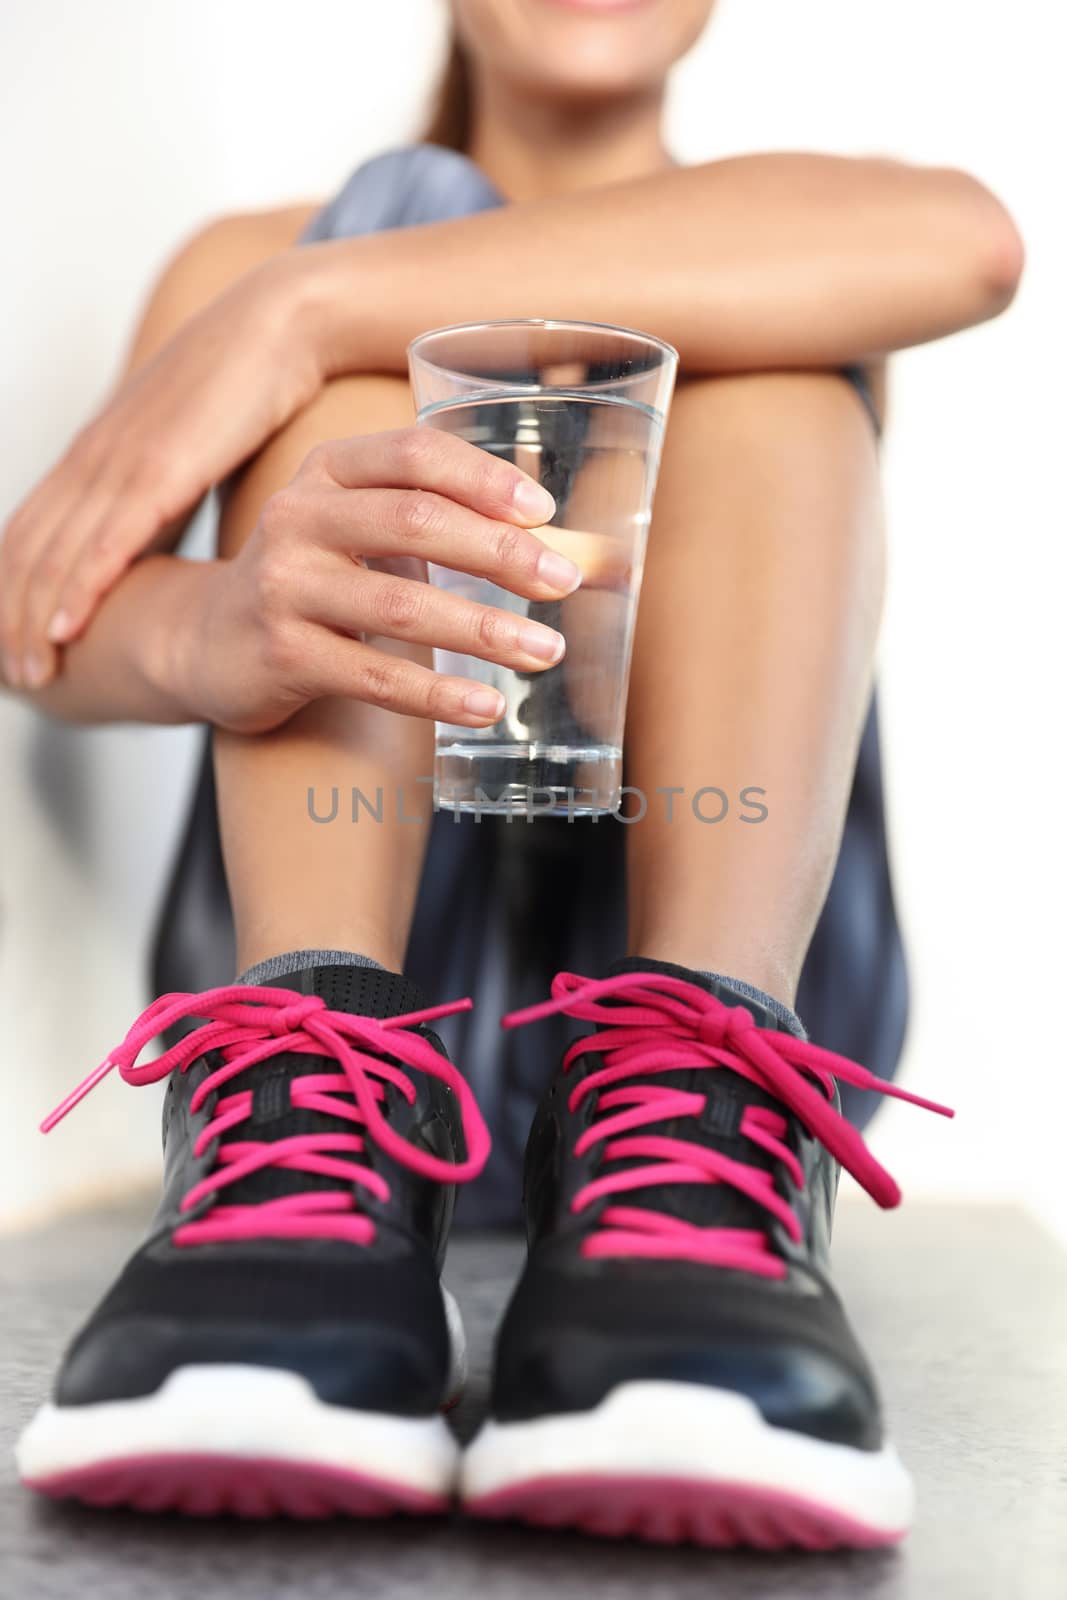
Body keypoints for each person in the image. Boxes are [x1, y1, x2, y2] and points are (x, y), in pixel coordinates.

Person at [5, 0, 1021, 1549]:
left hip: (717, 1041)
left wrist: (310, 312)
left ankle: (695, 1094)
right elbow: (44, 620)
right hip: (362, 1030)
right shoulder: (252, 263)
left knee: (744, 340)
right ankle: (308, 1084)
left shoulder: (801, 226)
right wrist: (216, 617)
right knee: (396, 276)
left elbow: (970, 242)